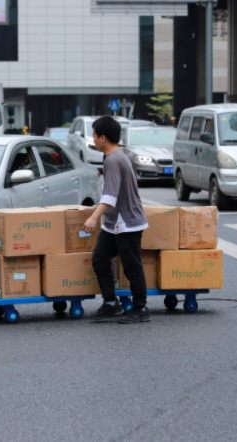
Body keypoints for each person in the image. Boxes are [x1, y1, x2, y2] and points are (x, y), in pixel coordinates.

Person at [83, 116, 151, 324]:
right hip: (114, 224)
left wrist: (94, 217)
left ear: (103, 137)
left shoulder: (113, 159)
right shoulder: (116, 157)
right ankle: (111, 303)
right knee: (100, 259)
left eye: (94, 135)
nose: (93, 139)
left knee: (132, 266)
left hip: (127, 223)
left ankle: (141, 308)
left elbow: (110, 196)